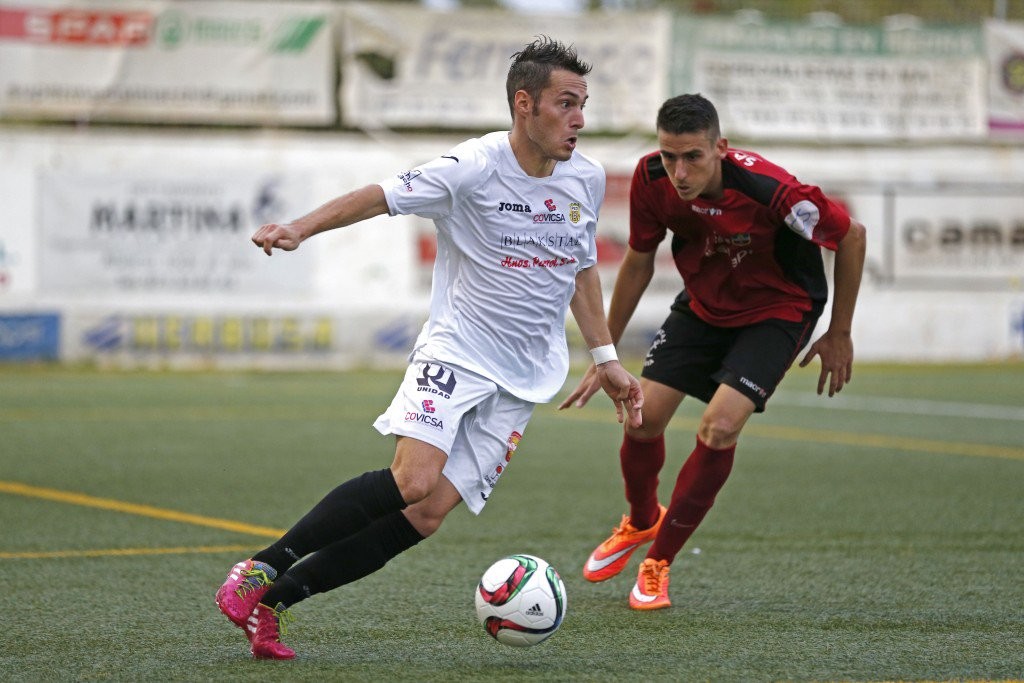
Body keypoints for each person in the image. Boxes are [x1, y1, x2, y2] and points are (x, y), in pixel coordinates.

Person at [214, 36, 644, 659]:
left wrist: (605, 358)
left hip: (523, 379)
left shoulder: (586, 178)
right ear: (525, 104)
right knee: (413, 481)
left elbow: (578, 270)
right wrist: (298, 228)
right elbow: (379, 195)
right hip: (459, 351)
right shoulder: (471, 167)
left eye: (584, 104)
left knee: (427, 513)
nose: (580, 119)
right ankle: (258, 568)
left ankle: (273, 606)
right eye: (566, 103)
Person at [559, 93, 866, 610]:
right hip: (704, 305)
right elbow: (638, 261)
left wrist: (839, 332)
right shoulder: (650, 180)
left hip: (778, 310)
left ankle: (659, 561)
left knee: (719, 426)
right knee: (640, 421)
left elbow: (851, 236)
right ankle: (640, 520)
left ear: (720, 148)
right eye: (668, 155)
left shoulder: (774, 191)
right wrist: (604, 352)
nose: (678, 171)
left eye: (692, 157)